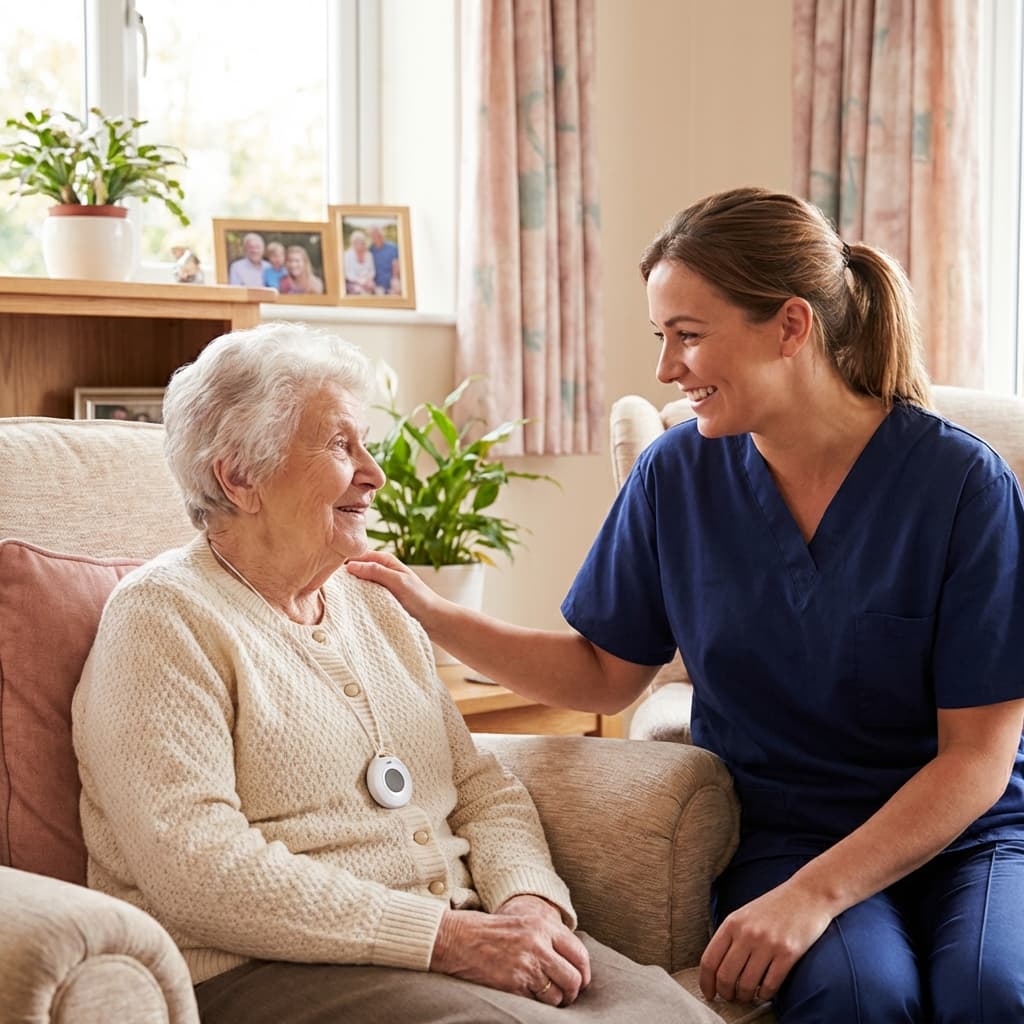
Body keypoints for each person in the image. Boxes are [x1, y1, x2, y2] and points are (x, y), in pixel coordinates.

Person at [347, 187, 1024, 1023]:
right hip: (790, 831)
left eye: (688, 336)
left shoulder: (961, 485)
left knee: (993, 997)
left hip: (970, 835)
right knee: (859, 998)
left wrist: (813, 898)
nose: (667, 369)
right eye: (661, 337)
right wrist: (430, 610)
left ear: (790, 325)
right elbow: (601, 673)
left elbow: (977, 759)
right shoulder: (677, 476)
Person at [71, 323, 719, 1024]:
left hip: (449, 945)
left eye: (367, 446)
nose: (375, 475)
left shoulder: (372, 602)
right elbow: (196, 867)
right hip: (267, 971)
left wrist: (528, 903)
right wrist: (446, 939)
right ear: (239, 476)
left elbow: (478, 787)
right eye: (341, 447)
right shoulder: (162, 617)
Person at [369, 223, 400, 294]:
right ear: (371, 237)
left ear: (382, 235)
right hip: (377, 283)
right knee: (379, 294)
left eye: (379, 235)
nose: (377, 237)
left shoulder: (393, 247)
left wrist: (395, 278)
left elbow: (396, 264)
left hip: (392, 279)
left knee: (397, 289)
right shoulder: (371, 250)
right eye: (374, 236)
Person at [344, 229, 377, 294]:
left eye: (361, 242)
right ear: (352, 243)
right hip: (353, 282)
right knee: (359, 291)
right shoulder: (347, 255)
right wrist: (361, 282)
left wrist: (367, 280)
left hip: (367, 281)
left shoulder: (369, 255)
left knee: (372, 287)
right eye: (356, 242)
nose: (359, 244)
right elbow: (348, 274)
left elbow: (372, 271)